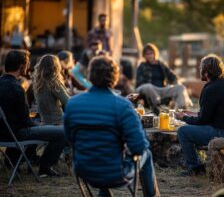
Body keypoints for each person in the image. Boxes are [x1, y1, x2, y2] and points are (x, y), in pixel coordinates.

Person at [64, 55, 159, 197]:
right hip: (116, 173)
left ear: (90, 76)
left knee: (105, 152)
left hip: (84, 170)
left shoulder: (72, 103)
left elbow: (70, 139)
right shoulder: (123, 105)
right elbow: (139, 147)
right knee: (146, 153)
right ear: (115, 77)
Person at [175, 54, 224, 176]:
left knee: (183, 131)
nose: (199, 70)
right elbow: (213, 113)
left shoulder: (212, 89)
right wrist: (193, 114)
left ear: (206, 73)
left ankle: (195, 168)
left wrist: (184, 118)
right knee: (191, 129)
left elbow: (203, 120)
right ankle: (198, 164)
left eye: (201, 69)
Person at [0, 50, 65, 177]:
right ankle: (45, 167)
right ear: (21, 66)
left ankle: (16, 160)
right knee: (63, 133)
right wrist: (39, 125)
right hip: (16, 133)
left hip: (2, 132)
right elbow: (25, 122)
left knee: (39, 126)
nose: (29, 67)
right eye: (27, 64)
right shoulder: (17, 88)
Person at [136, 43, 192, 113]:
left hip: (162, 90)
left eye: (151, 53)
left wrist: (173, 84)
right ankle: (158, 106)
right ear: (144, 55)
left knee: (180, 87)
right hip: (149, 90)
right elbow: (139, 83)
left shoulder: (161, 65)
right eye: (147, 54)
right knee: (148, 86)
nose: (149, 55)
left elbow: (173, 77)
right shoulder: (142, 66)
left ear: (155, 53)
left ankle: (182, 110)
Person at [32, 54, 70, 125]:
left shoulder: (36, 84)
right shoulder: (54, 83)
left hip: (44, 123)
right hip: (58, 123)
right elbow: (68, 102)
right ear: (56, 67)